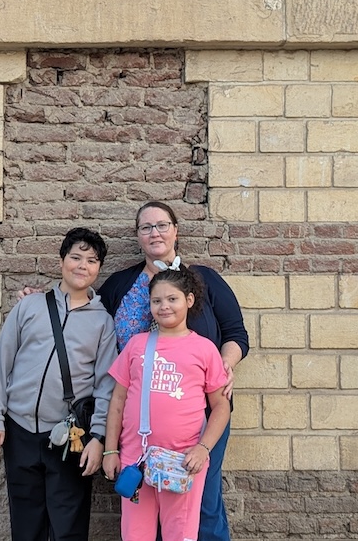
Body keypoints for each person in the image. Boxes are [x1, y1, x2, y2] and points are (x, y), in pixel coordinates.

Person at [98, 201, 249, 541]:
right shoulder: (122, 283)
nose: (155, 233)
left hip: (200, 416)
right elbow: (87, 312)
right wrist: (42, 300)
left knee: (202, 504)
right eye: (146, 227)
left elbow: (236, 333)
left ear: (176, 230)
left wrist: (225, 364)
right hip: (141, 426)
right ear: (137, 236)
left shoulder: (204, 280)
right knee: (141, 513)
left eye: (162, 225)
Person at [0, 227, 118, 541]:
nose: (82, 266)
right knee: (26, 522)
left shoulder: (103, 323)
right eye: (76, 257)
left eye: (92, 260)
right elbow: (2, 363)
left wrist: (98, 437)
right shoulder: (29, 307)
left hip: (69, 437)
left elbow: (106, 387)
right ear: (61, 261)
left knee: (68, 524)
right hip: (19, 430)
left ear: (99, 269)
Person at [102, 265, 232, 541]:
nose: (164, 307)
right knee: (135, 535)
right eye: (156, 301)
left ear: (189, 300)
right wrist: (110, 450)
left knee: (180, 534)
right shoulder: (136, 346)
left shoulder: (204, 349)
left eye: (172, 299)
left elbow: (221, 406)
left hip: (183, 462)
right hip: (136, 460)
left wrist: (203, 448)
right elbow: (117, 401)